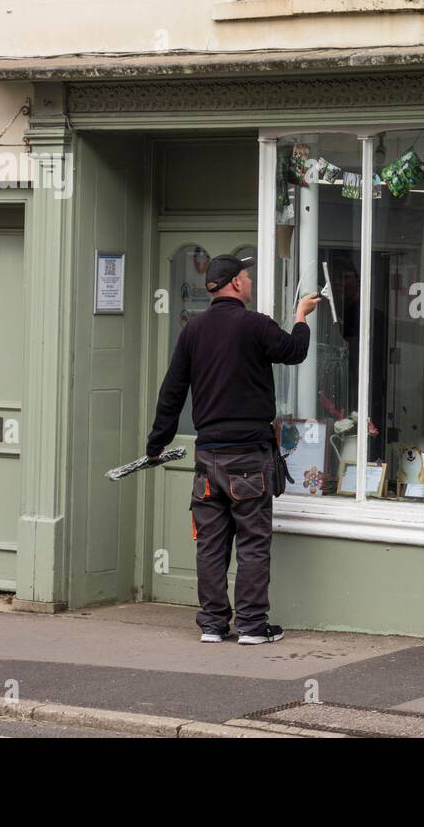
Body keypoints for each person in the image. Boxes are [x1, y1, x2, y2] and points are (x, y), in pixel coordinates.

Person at [146, 254, 320, 644]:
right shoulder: (254, 325)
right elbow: (294, 351)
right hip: (249, 457)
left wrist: (157, 443)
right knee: (253, 543)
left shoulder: (193, 331)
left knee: (211, 544)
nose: (251, 282)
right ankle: (252, 627)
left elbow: (172, 391)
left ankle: (212, 624)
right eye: (247, 276)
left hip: (208, 459)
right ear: (236, 284)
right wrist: (302, 315)